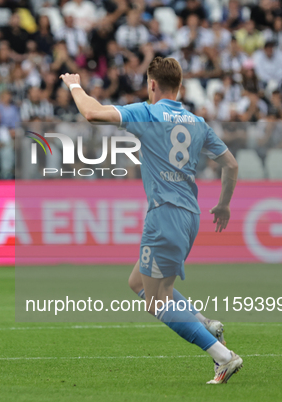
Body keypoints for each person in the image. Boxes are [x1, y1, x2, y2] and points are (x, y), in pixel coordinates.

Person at [59, 57, 243, 384]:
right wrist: (224, 205)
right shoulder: (197, 122)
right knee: (138, 283)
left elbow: (92, 112)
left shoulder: (147, 112)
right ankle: (206, 324)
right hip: (190, 215)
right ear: (180, 86)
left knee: (157, 299)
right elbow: (231, 165)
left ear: (152, 85)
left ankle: (223, 356)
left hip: (164, 215)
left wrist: (74, 84)